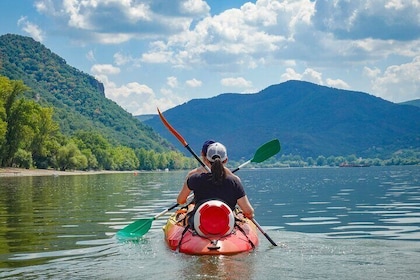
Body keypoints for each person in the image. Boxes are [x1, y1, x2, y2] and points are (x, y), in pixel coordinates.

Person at [177, 142, 254, 219]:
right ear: (226, 160)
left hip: (199, 225)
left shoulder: (194, 178)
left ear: (206, 160)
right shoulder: (235, 182)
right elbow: (248, 211)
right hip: (227, 226)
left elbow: (180, 201)